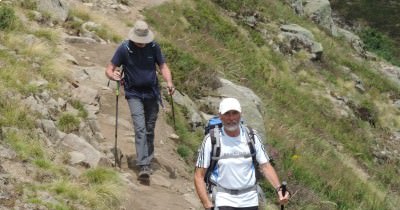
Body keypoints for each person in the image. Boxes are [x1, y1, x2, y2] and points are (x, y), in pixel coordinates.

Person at [105, 20, 175, 179]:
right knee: (140, 127)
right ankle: (143, 165)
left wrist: (169, 82)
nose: (141, 43)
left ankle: (148, 159)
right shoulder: (124, 48)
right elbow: (109, 69)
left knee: (150, 128)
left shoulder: (154, 47)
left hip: (152, 93)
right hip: (133, 93)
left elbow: (163, 66)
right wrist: (112, 75)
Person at [194, 98, 289, 210]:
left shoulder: (252, 137)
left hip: (250, 200)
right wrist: (207, 204)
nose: (231, 118)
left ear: (241, 114)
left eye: (235, 113)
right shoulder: (211, 140)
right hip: (222, 199)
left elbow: (265, 166)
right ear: (220, 116)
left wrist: (279, 189)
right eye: (227, 114)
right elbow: (199, 175)